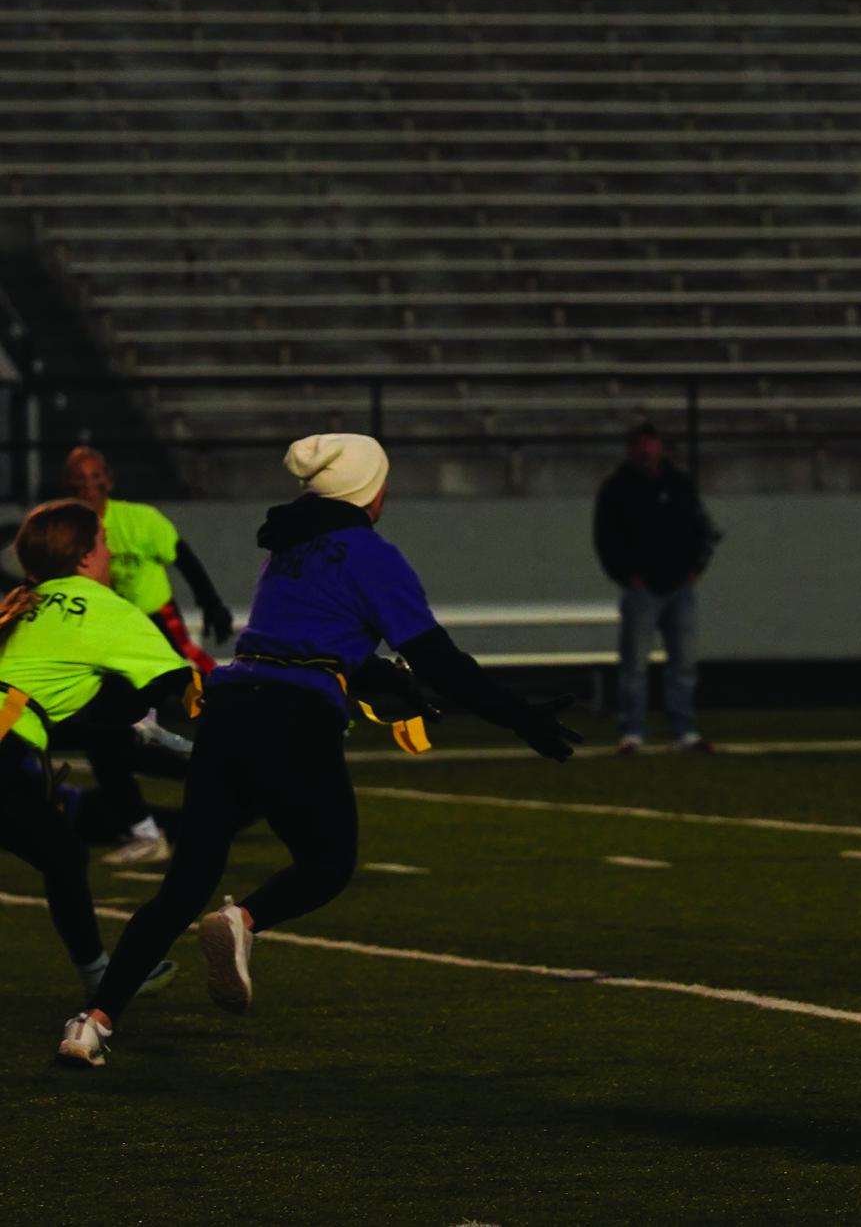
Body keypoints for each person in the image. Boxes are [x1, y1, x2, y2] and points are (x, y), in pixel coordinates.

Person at [58, 433, 582, 1068]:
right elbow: (440, 659)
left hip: (230, 709)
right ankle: (244, 921)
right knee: (328, 862)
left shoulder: (287, 551)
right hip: (293, 719)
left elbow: (307, 641)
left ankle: (92, 1022)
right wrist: (522, 718)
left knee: (184, 885)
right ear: (370, 490)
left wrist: (390, 682)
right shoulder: (371, 555)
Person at [0, 501, 184, 1006]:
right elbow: (181, 678)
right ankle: (102, 979)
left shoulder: (23, 601)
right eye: (103, 542)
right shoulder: (99, 605)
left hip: (10, 744)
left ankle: (100, 975)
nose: (110, 552)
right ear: (83, 557)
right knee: (63, 853)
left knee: (62, 848)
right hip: (5, 745)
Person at [60, 446, 235, 865]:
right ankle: (150, 818)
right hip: (110, 636)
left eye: (93, 476)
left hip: (152, 626)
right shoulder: (64, 529)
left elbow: (183, 557)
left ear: (109, 479)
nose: (88, 486)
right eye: (78, 479)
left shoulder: (138, 520)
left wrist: (211, 603)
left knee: (198, 692)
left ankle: (243, 755)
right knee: (115, 732)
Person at [593, 422, 720, 755]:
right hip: (642, 587)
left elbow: (701, 528)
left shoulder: (678, 484)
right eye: (639, 444)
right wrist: (625, 575)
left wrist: (694, 570)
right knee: (635, 663)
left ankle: (683, 729)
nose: (646, 450)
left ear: (660, 447)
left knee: (683, 662)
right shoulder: (618, 488)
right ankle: (633, 730)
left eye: (650, 443)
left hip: (679, 586)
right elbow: (606, 538)